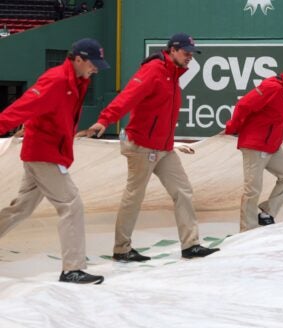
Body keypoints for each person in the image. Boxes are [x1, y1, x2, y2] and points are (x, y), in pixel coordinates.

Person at [86, 33, 219, 262]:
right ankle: (122, 249)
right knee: (134, 196)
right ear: (173, 50)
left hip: (164, 148)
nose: (190, 57)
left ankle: (191, 245)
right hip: (142, 146)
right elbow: (128, 96)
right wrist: (105, 120)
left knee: (183, 191)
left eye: (192, 54)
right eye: (186, 52)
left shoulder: (173, 75)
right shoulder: (155, 70)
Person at [0, 39, 109, 284]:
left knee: (21, 208)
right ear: (78, 59)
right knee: (71, 204)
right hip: (43, 154)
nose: (97, 68)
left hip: (48, 151)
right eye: (93, 63)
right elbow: (23, 106)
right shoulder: (57, 80)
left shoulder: (78, 81)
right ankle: (73, 269)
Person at [225, 60, 283, 230]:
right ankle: (247, 229)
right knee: (253, 190)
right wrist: (233, 127)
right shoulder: (274, 87)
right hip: (255, 145)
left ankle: (266, 213)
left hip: (271, 145)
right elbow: (244, 105)